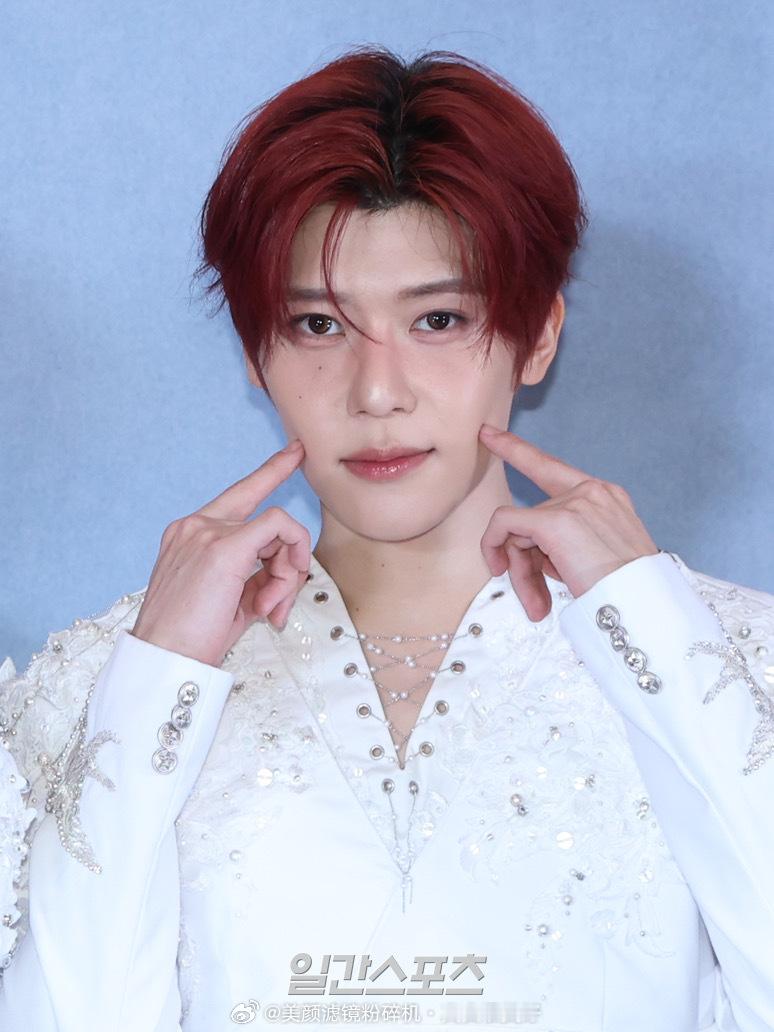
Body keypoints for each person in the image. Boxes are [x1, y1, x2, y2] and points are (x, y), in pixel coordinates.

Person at [1, 43, 773, 1032]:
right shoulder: (108, 689)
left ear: (539, 334)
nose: (377, 392)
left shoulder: (732, 664)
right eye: (319, 327)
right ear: (255, 352)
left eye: (438, 319)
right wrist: (153, 678)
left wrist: (657, 634)